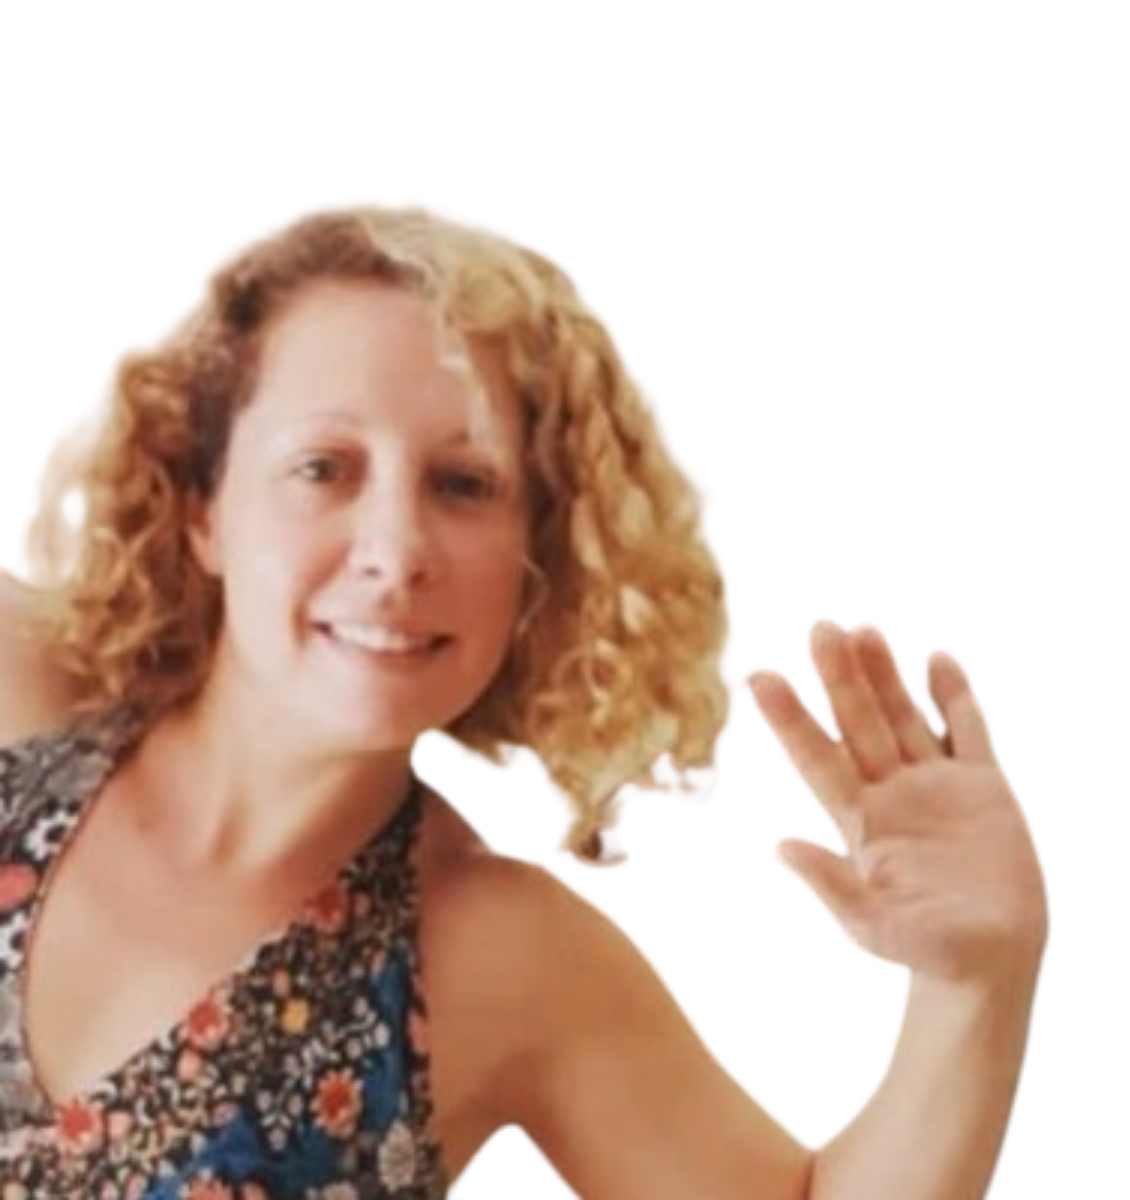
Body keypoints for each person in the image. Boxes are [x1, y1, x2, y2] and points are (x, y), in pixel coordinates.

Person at [0, 198, 1050, 1198]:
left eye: (463, 484)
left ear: (538, 560)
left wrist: (976, 987)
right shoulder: (18, 694)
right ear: (203, 506)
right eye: (324, 467)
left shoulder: (500, 955)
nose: (396, 551)